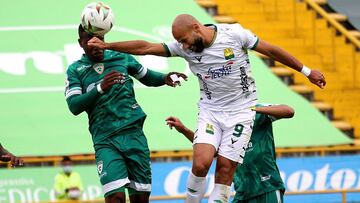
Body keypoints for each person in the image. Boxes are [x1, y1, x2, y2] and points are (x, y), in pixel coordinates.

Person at [87, 14, 326, 202]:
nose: (183, 46)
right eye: (179, 43)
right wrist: (109, 45)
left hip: (243, 110)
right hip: (211, 111)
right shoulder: (184, 47)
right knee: (200, 163)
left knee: (224, 169)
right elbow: (145, 47)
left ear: (196, 28)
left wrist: (306, 71)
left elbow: (271, 50)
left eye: (184, 40)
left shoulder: (234, 34)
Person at [64, 25, 186, 203]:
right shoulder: (76, 70)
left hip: (133, 134)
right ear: (80, 43)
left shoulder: (121, 57)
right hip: (105, 140)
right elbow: (74, 106)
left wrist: (164, 78)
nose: (96, 45)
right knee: (115, 198)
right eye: (89, 42)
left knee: (140, 199)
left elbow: (147, 76)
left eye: (100, 40)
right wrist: (100, 88)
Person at [166, 104, 295, 203]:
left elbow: (289, 111)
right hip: (242, 192)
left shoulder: (256, 111)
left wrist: (254, 109)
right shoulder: (222, 121)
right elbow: (213, 151)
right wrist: (183, 130)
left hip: (268, 187)